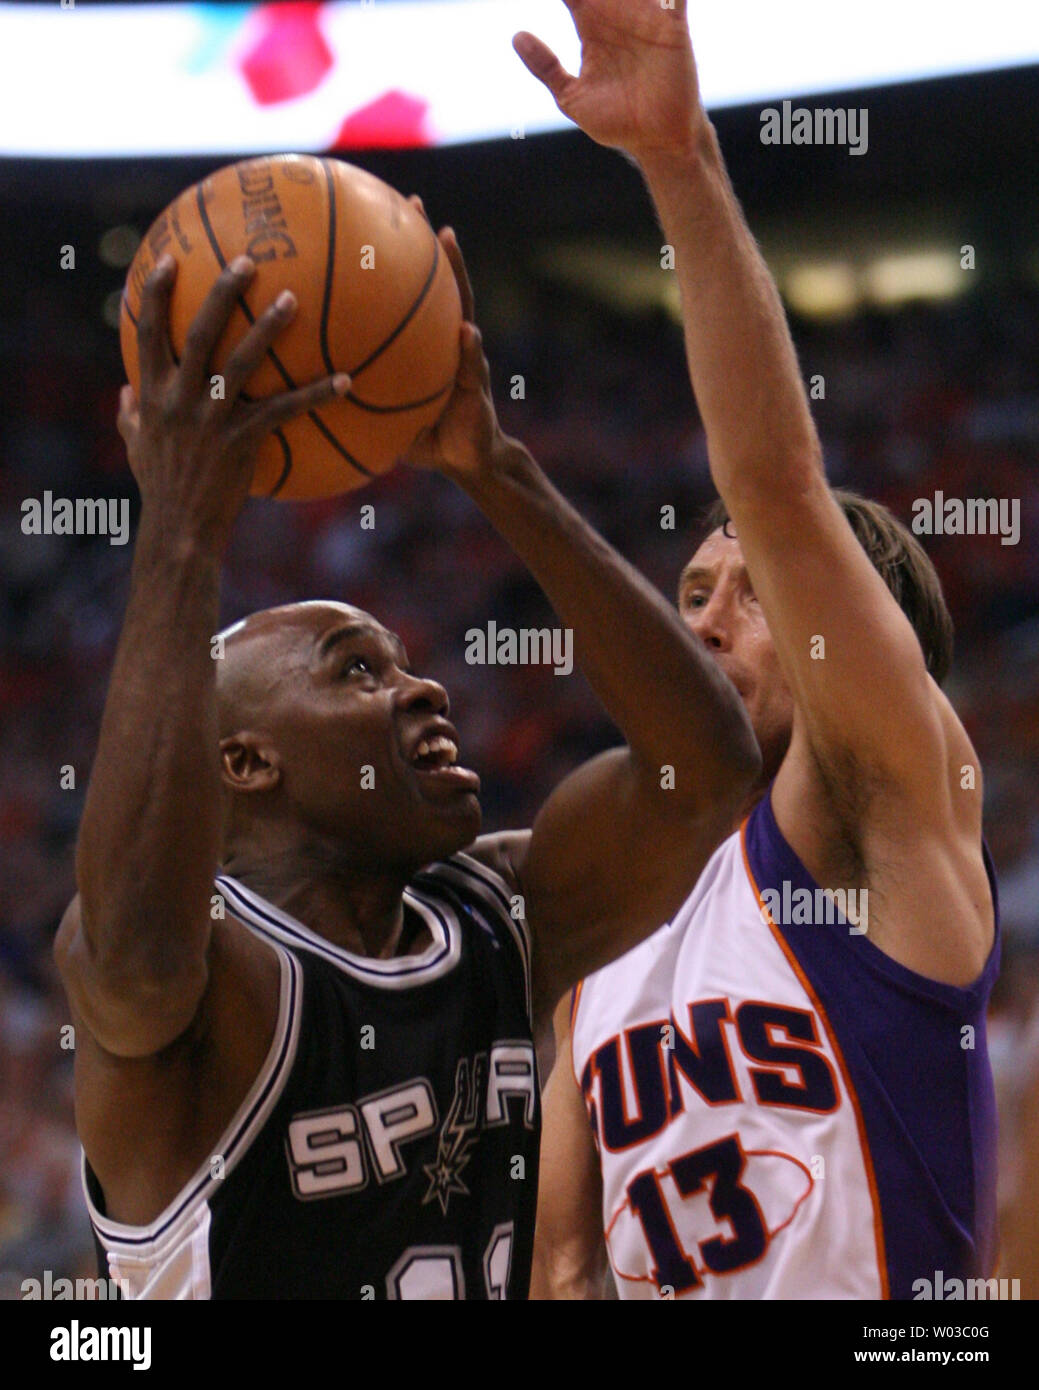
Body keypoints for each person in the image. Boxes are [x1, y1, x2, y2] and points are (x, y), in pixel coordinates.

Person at [53, 218, 759, 1299]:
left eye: (405, 663)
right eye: (354, 671)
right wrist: (184, 527)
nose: (423, 689)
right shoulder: (216, 976)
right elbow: (137, 948)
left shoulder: (503, 913)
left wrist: (498, 468)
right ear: (244, 762)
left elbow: (703, 772)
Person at [519, 0, 999, 1300]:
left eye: (750, 592)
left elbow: (777, 485)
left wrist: (679, 166)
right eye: (689, 584)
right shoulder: (598, 927)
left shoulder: (876, 813)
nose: (702, 613)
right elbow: (563, 1266)